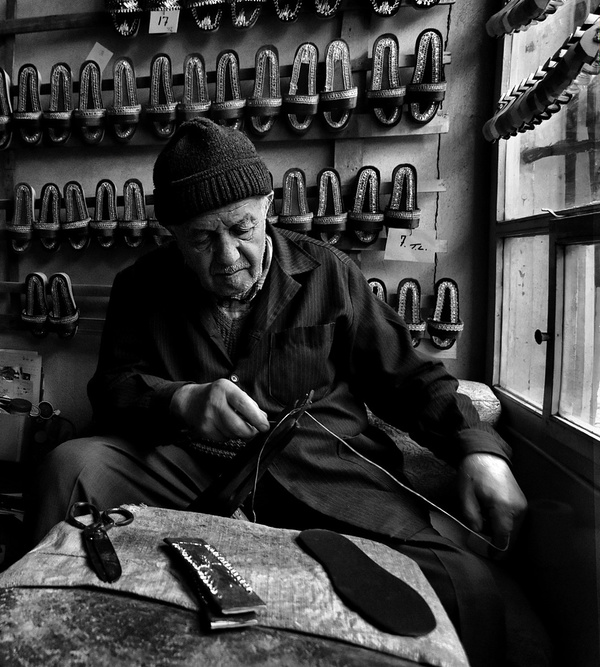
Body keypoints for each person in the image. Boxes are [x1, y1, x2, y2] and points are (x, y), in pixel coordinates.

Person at [27, 118, 543, 667]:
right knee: (72, 467)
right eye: (201, 239)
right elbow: (112, 389)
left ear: (268, 206)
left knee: (464, 583)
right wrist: (180, 401)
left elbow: (410, 378)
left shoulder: (330, 273)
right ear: (172, 233)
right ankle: (37, 633)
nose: (228, 256)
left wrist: (480, 452)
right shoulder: (141, 285)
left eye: (241, 229)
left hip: (320, 476)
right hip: (194, 470)